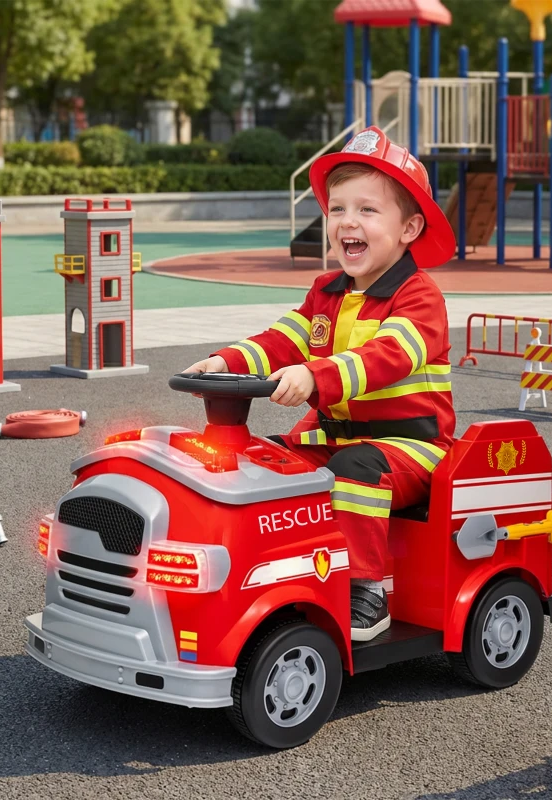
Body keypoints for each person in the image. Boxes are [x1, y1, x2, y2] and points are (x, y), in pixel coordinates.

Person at [185, 126, 457, 641]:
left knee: (356, 468)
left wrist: (315, 375)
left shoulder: (420, 298)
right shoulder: (325, 292)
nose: (348, 222)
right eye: (337, 209)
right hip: (334, 436)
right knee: (260, 459)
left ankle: (365, 590)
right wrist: (224, 362)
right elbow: (281, 341)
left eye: (368, 210)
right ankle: (266, 571)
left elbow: (387, 357)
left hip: (411, 445)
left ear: (409, 228)